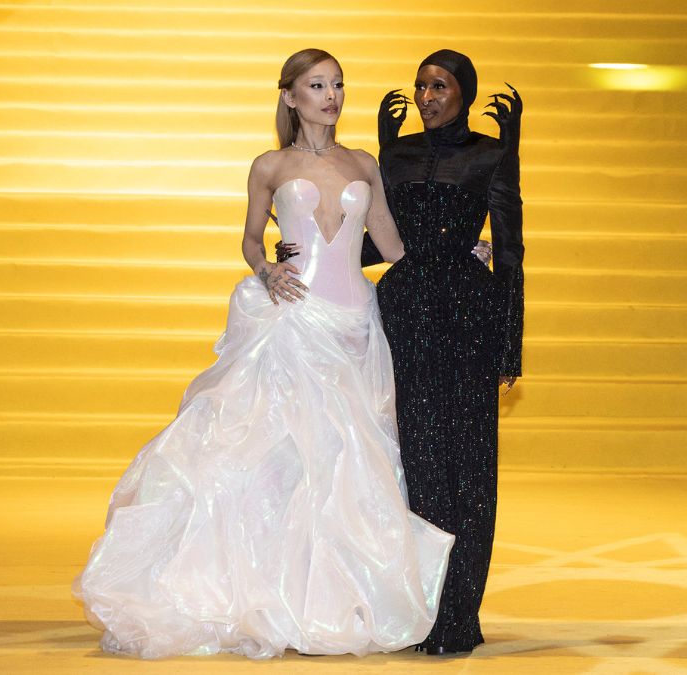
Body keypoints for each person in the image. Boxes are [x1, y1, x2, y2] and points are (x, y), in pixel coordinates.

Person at [73, 48, 454, 660]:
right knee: (282, 458)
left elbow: (390, 245)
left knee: (348, 462)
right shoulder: (269, 166)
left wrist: (458, 260)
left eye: (337, 85)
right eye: (316, 85)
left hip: (356, 324)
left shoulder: (363, 163)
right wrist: (266, 269)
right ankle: (268, 590)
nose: (330, 96)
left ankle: (335, 597)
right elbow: (252, 238)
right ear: (290, 96)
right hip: (294, 323)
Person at [364, 49, 524, 655]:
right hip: (404, 312)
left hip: (468, 317)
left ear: (465, 92)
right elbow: (377, 243)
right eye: (421, 86)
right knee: (418, 462)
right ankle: (422, 609)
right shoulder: (396, 153)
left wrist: (511, 341)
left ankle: (459, 612)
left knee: (470, 467)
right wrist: (305, 248)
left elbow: (509, 250)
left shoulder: (491, 152)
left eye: (440, 86)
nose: (428, 97)